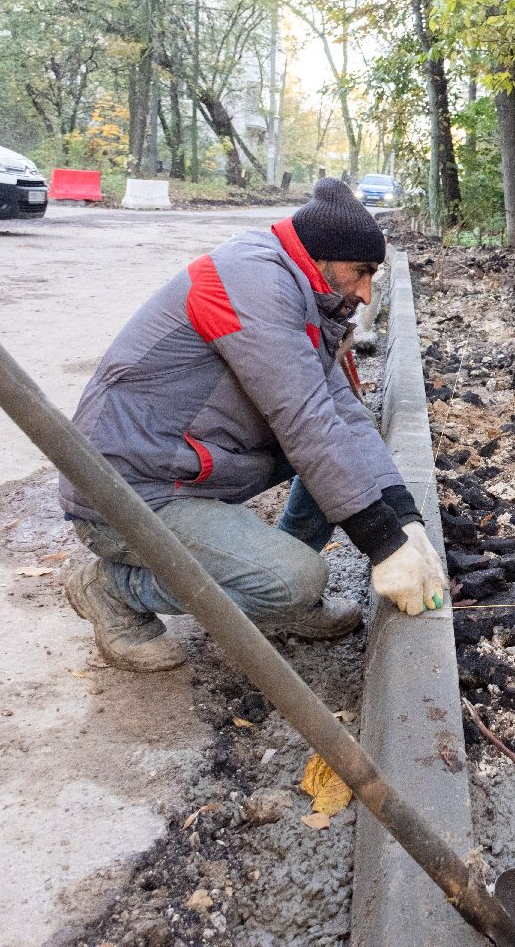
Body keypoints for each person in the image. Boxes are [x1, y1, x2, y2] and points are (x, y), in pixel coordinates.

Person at [59, 179, 447, 671]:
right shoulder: (251, 282)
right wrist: (384, 545)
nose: (366, 293)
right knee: (296, 578)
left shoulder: (298, 290)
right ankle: (114, 590)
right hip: (122, 492)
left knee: (340, 445)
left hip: (182, 463)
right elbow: (304, 420)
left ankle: (277, 603)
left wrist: (406, 522)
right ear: (321, 257)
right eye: (361, 273)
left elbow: (342, 417)